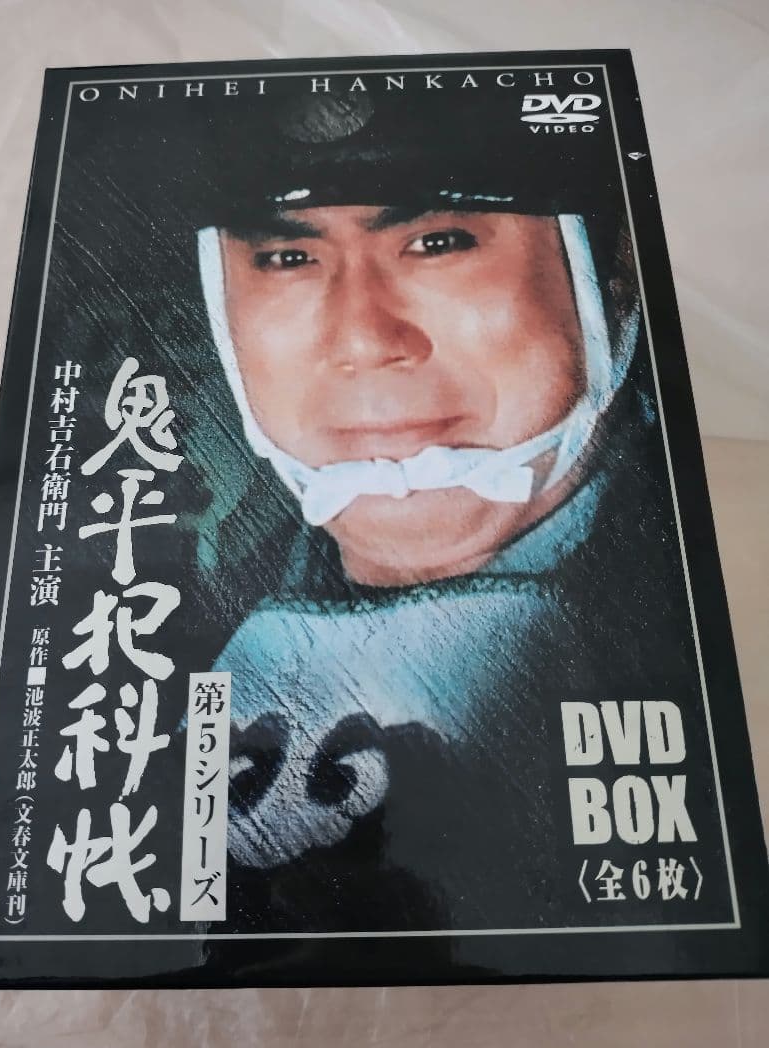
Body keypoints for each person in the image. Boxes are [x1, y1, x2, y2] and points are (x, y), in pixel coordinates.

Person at [185, 91, 711, 931]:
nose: (363, 339)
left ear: (610, 280)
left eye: (439, 243)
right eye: (287, 257)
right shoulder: (174, 625)